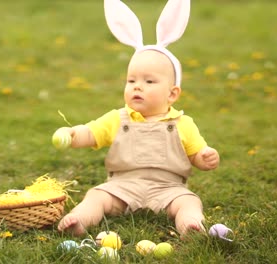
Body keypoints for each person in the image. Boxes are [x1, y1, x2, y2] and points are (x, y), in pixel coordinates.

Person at [53, 0, 220, 237]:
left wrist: (206, 157)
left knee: (189, 202)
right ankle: (79, 220)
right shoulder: (117, 118)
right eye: (132, 81)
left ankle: (190, 225)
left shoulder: (183, 123)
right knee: (97, 196)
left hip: (168, 188)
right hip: (121, 187)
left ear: (172, 93)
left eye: (149, 81)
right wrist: (73, 134)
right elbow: (91, 133)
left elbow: (197, 155)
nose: (137, 87)